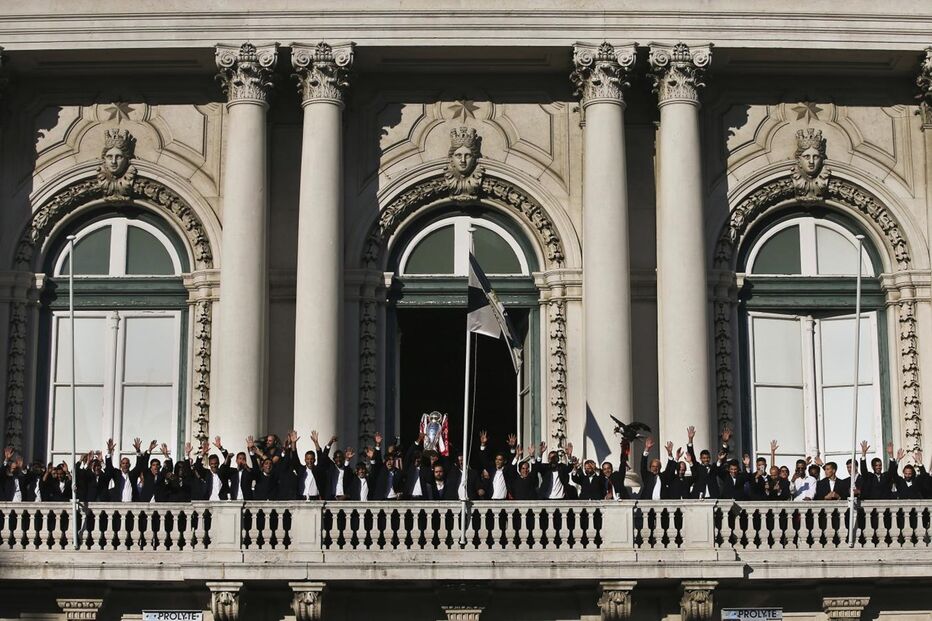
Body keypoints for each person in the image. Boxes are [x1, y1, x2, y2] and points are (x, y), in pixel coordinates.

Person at [105, 438, 146, 502]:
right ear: (120, 465)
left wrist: (138, 451)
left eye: (127, 463)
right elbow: (109, 468)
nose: (125, 465)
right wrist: (109, 452)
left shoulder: (132, 474)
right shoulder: (117, 474)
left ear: (129, 465)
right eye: (123, 463)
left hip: (132, 505)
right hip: (119, 504)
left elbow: (139, 466)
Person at [293, 431, 327, 500]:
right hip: (301, 498)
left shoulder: (317, 470)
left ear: (314, 460)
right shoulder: (301, 469)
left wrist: (316, 443)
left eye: (311, 459)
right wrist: (293, 443)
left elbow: (321, 458)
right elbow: (295, 458)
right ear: (305, 460)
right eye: (307, 459)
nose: (309, 461)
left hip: (315, 499)